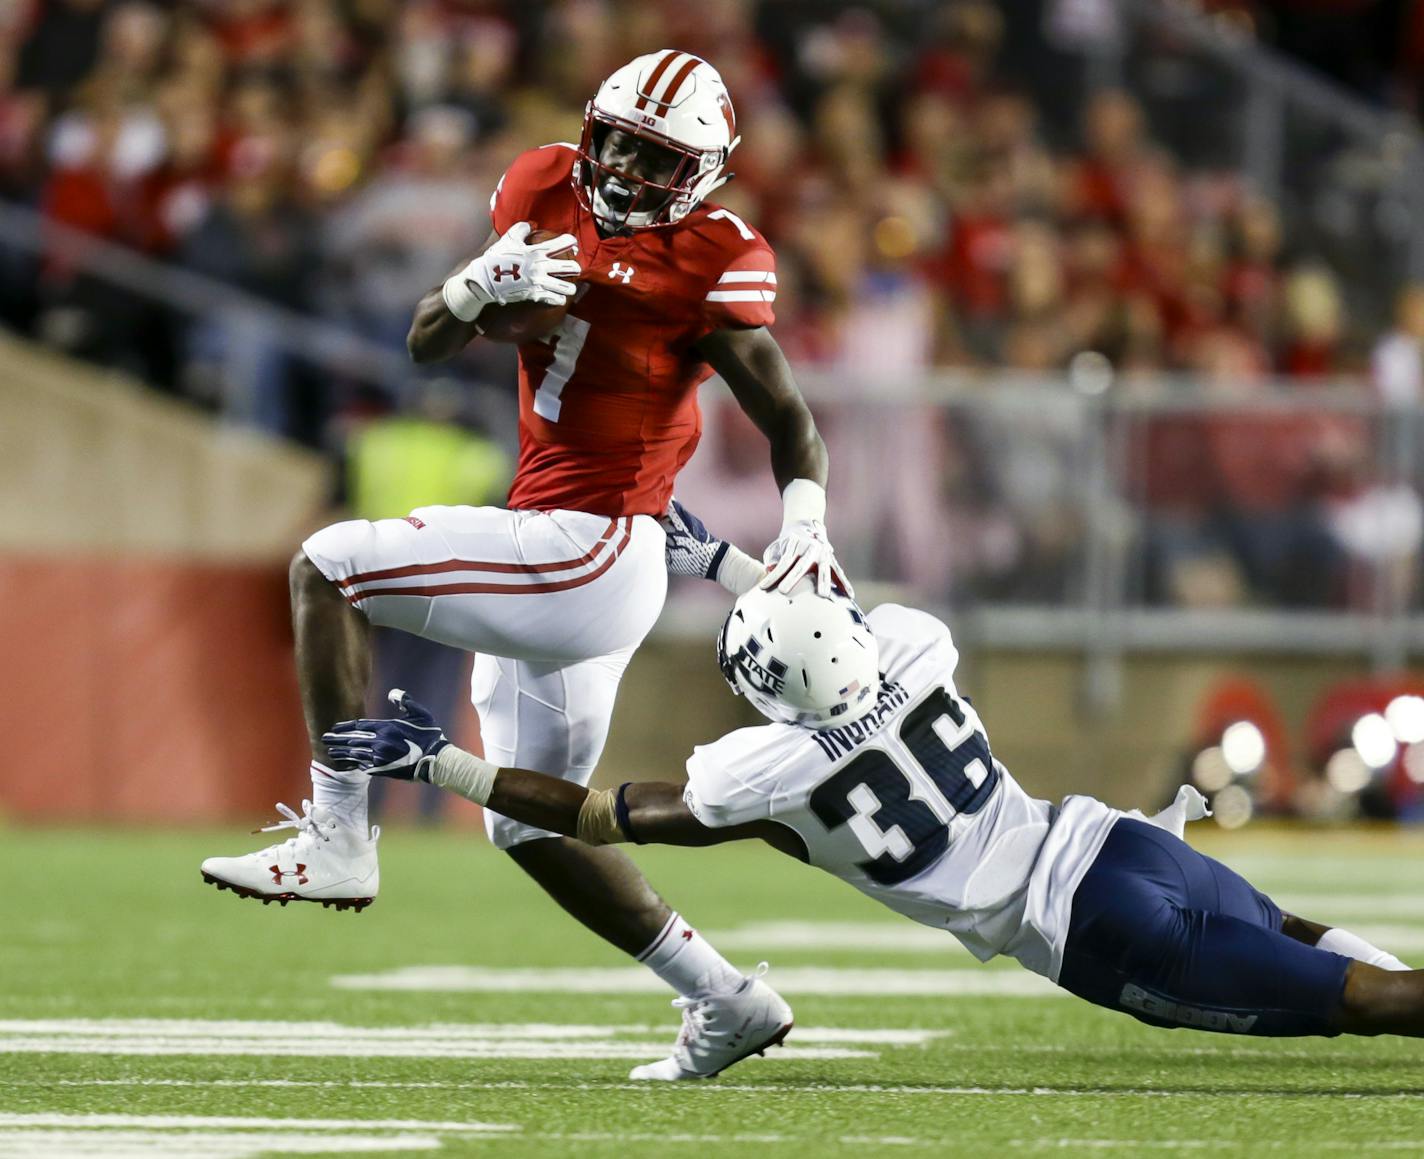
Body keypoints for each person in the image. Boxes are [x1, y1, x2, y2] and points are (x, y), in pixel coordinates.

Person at [200, 51, 849, 1079]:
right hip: (559, 534)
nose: (628, 166)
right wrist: (466, 287)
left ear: (705, 172)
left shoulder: (713, 256)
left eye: (657, 155)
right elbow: (430, 341)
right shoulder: (542, 183)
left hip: (588, 549)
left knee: (326, 565)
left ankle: (337, 834)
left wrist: (803, 524)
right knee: (530, 823)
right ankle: (726, 998)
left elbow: (788, 418)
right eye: (621, 140)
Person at [325, 503, 1424, 1081]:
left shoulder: (767, 769)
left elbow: (602, 813)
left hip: (1088, 928)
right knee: (1306, 941)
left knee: (1355, 1008)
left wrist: (442, 763)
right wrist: (725, 562)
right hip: (1115, 844)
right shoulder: (913, 642)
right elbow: (826, 607)